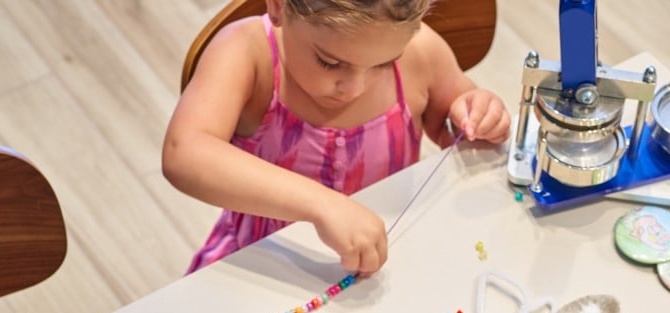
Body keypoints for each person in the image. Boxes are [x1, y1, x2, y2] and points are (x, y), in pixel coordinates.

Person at [162, 0, 510, 275]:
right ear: (279, 6)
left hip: (385, 265)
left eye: (385, 63)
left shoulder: (423, 53)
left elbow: (452, 125)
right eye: (330, 63)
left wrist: (477, 113)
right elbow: (184, 153)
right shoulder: (248, 53)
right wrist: (321, 205)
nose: (355, 88)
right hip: (267, 266)